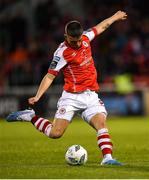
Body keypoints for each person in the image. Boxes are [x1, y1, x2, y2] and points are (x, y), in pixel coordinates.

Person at [7, 10, 127, 165]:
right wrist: (37, 96)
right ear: (66, 37)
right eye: (73, 41)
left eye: (78, 40)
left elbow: (102, 26)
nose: (77, 43)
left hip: (90, 95)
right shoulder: (62, 53)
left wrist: (115, 17)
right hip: (71, 97)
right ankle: (30, 116)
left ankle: (108, 158)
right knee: (55, 133)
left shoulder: (85, 38)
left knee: (102, 125)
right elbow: (50, 76)